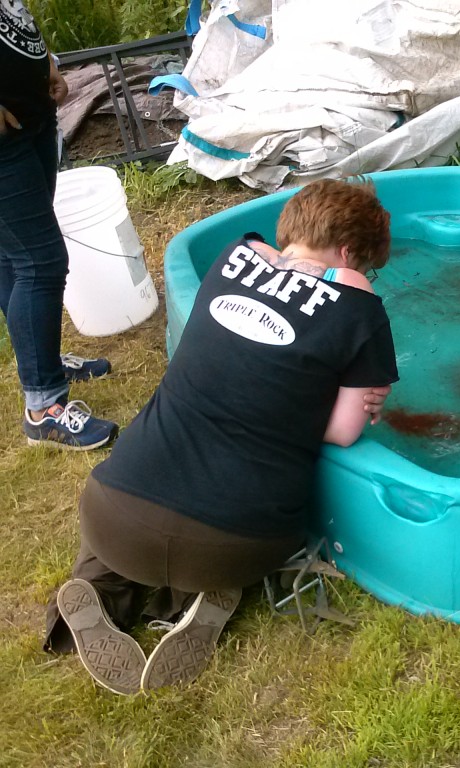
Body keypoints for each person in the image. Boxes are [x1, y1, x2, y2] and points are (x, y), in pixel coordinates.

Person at [43, 178, 400, 695]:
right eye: (363, 267)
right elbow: (344, 431)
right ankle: (197, 599)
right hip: (238, 542)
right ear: (349, 254)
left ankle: (98, 588)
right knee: (213, 542)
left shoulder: (235, 254)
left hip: (112, 511)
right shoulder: (359, 308)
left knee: (130, 520)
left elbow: (269, 264)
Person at [0, 0, 118, 449]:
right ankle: (43, 407)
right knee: (41, 261)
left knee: (13, 254)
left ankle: (41, 361)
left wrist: (45, 61)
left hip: (30, 113)